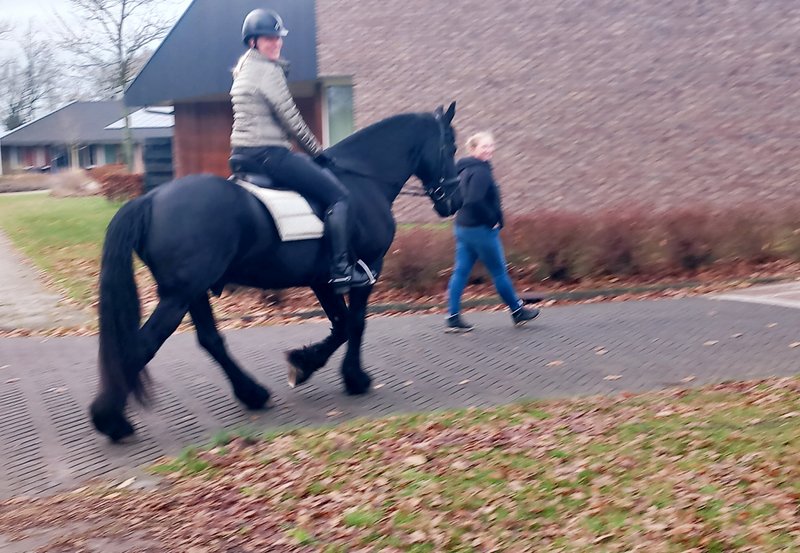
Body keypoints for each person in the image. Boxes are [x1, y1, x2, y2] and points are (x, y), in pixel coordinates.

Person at [229, 8, 370, 294]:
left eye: (278, 38)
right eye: (269, 38)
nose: (276, 43)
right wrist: (318, 153)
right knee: (339, 197)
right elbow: (291, 119)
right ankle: (341, 270)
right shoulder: (268, 71)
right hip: (269, 154)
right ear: (253, 42)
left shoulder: (244, 68)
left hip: (243, 154)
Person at [445, 132, 540, 332]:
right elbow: (474, 200)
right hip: (481, 230)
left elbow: (460, 197)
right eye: (484, 146)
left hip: (463, 227)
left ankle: (453, 317)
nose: (489, 150)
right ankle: (517, 311)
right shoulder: (480, 171)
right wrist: (492, 220)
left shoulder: (463, 169)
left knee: (460, 272)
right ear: (473, 149)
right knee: (498, 272)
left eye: (490, 146)